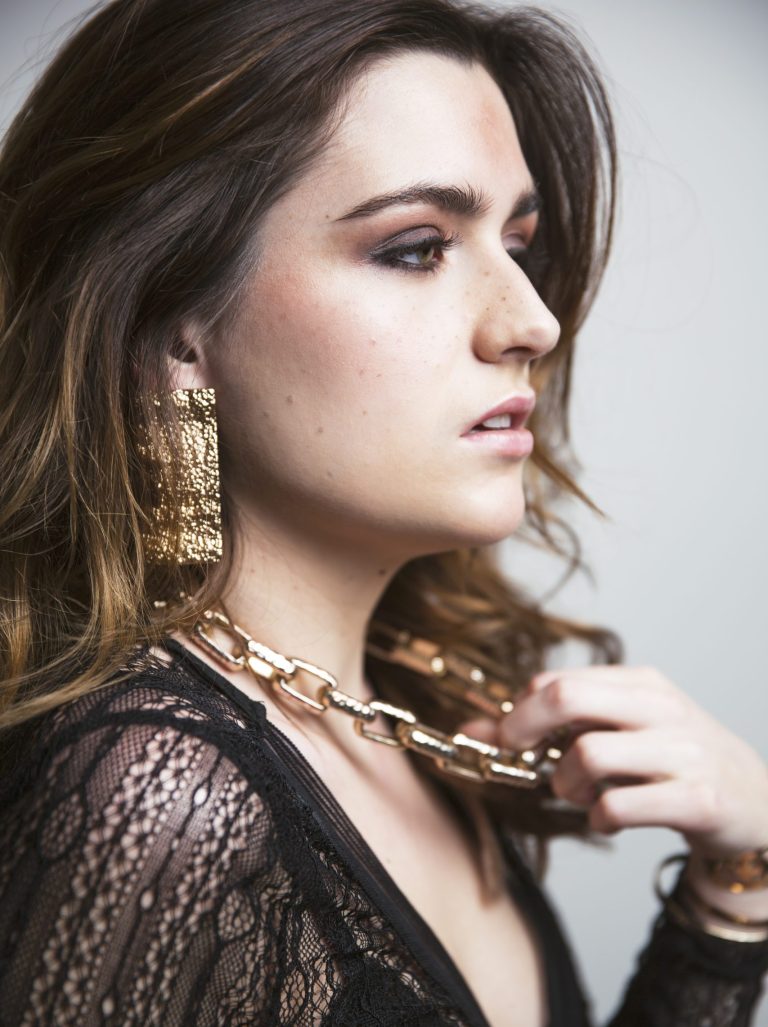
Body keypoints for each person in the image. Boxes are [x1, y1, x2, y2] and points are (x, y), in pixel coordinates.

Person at [0, 0, 766, 1024]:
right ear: (175, 333)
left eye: (518, 243)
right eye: (416, 247)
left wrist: (734, 885)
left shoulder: (419, 723)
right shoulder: (160, 794)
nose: (533, 321)